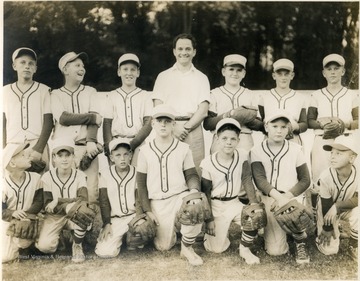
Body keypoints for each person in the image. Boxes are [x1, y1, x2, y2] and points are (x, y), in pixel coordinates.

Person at [136, 104, 204, 266]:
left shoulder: (183, 148)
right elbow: (141, 184)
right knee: (163, 247)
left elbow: (191, 175)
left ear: (174, 124)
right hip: (158, 202)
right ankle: (176, 231)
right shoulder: (145, 151)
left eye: (168, 121)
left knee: (195, 205)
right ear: (153, 124)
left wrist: (194, 192)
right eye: (160, 121)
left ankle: (187, 247)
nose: (163, 124)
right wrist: (147, 210)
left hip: (179, 197)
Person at [250, 110, 311, 264]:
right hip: (270, 198)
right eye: (274, 125)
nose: (279, 130)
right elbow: (260, 181)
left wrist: (286, 198)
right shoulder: (256, 150)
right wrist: (279, 198)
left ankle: (299, 242)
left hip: (292, 196)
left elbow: (305, 180)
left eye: (283, 127)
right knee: (276, 251)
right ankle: (275, 232)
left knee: (296, 216)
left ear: (288, 129)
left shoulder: (296, 149)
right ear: (266, 127)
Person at [200, 118, 261, 264]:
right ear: (216, 138)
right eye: (224, 138)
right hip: (216, 205)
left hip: (234, 202)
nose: (229, 142)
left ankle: (244, 249)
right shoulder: (207, 162)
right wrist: (209, 220)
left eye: (233, 139)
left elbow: (246, 179)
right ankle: (214, 233)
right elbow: (206, 193)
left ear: (238, 140)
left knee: (255, 217)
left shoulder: (242, 155)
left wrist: (253, 204)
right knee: (216, 249)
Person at [152, 33, 210, 174]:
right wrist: (173, 128)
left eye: (188, 49)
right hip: (167, 128)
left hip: (193, 130)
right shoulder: (163, 76)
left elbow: (203, 110)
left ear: (194, 52)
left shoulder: (202, 78)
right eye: (180, 49)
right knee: (169, 171)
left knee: (195, 172)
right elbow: (158, 107)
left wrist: (185, 128)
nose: (184, 52)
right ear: (174, 51)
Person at [50, 51, 103, 203]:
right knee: (65, 194)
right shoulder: (56, 94)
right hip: (63, 151)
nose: (82, 69)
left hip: (86, 148)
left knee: (91, 194)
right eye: (77, 65)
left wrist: (91, 141)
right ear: (65, 70)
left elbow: (96, 118)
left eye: (83, 66)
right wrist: (92, 117)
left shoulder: (90, 91)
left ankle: (87, 227)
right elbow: (64, 118)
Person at [35, 138, 92, 262]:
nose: (64, 159)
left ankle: (77, 244)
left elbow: (83, 200)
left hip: (74, 214)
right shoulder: (47, 177)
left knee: (84, 212)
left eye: (68, 155)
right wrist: (62, 203)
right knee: (45, 247)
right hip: (54, 216)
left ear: (73, 157)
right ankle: (59, 236)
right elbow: (47, 205)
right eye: (60, 156)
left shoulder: (80, 175)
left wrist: (59, 200)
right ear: (54, 158)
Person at [308, 54, 359, 184]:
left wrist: (344, 123)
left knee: (346, 180)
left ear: (343, 71)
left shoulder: (352, 95)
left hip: (345, 140)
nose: (332, 72)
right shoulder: (316, 95)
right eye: (329, 69)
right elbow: (310, 121)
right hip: (322, 140)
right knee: (320, 180)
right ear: (323, 73)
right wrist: (323, 124)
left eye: (336, 68)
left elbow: (358, 120)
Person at [3, 47, 53, 170]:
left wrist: (39, 149)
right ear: (14, 66)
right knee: (13, 186)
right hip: (13, 145)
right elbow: (2, 122)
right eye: (22, 62)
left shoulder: (44, 90)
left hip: (37, 144)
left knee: (39, 186)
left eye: (31, 63)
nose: (27, 66)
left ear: (35, 68)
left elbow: (48, 122)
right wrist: (3, 149)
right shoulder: (5, 91)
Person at [203, 54, 264, 153]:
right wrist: (228, 115)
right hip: (221, 138)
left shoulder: (251, 95)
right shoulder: (214, 94)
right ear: (223, 71)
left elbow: (260, 125)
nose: (235, 73)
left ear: (244, 73)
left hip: (244, 138)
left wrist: (242, 116)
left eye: (239, 70)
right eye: (231, 69)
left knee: (244, 167)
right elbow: (207, 124)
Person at [103, 53, 153, 166]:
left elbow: (148, 123)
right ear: (119, 72)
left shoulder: (145, 95)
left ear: (138, 73)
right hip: (117, 142)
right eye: (125, 69)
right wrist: (109, 146)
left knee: (137, 178)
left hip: (138, 143)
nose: (129, 73)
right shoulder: (112, 95)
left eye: (133, 69)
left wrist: (133, 144)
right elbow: (107, 123)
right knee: (117, 178)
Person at [315, 135, 358, 261]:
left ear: (352, 158)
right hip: (326, 209)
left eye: (338, 153)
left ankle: (354, 245)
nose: (332, 156)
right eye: (332, 153)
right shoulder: (326, 175)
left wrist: (337, 206)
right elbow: (326, 204)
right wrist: (327, 228)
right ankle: (324, 232)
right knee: (330, 250)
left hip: (345, 208)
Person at [95, 138, 138, 258]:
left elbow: (139, 199)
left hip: (133, 216)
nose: (122, 158)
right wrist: (107, 223)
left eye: (125, 154)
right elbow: (104, 201)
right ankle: (122, 238)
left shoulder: (137, 172)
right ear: (111, 158)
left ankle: (134, 238)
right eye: (118, 155)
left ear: (131, 155)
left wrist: (140, 219)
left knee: (141, 232)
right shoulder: (104, 174)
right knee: (105, 252)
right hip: (116, 219)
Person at [2, 143, 43, 263]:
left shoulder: (35, 178)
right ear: (13, 163)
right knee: (5, 257)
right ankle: (19, 246)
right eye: (24, 155)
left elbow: (39, 201)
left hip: (30, 218)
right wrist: (12, 213)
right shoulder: (3, 184)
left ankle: (28, 245)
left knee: (37, 241)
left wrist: (27, 215)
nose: (29, 157)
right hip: (8, 221)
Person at [259, 58, 308, 145]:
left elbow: (304, 124)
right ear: (274, 76)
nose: (283, 77)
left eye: (286, 74)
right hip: (270, 141)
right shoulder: (264, 97)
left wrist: (294, 126)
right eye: (280, 74)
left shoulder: (300, 98)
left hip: (293, 140)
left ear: (292, 75)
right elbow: (260, 122)